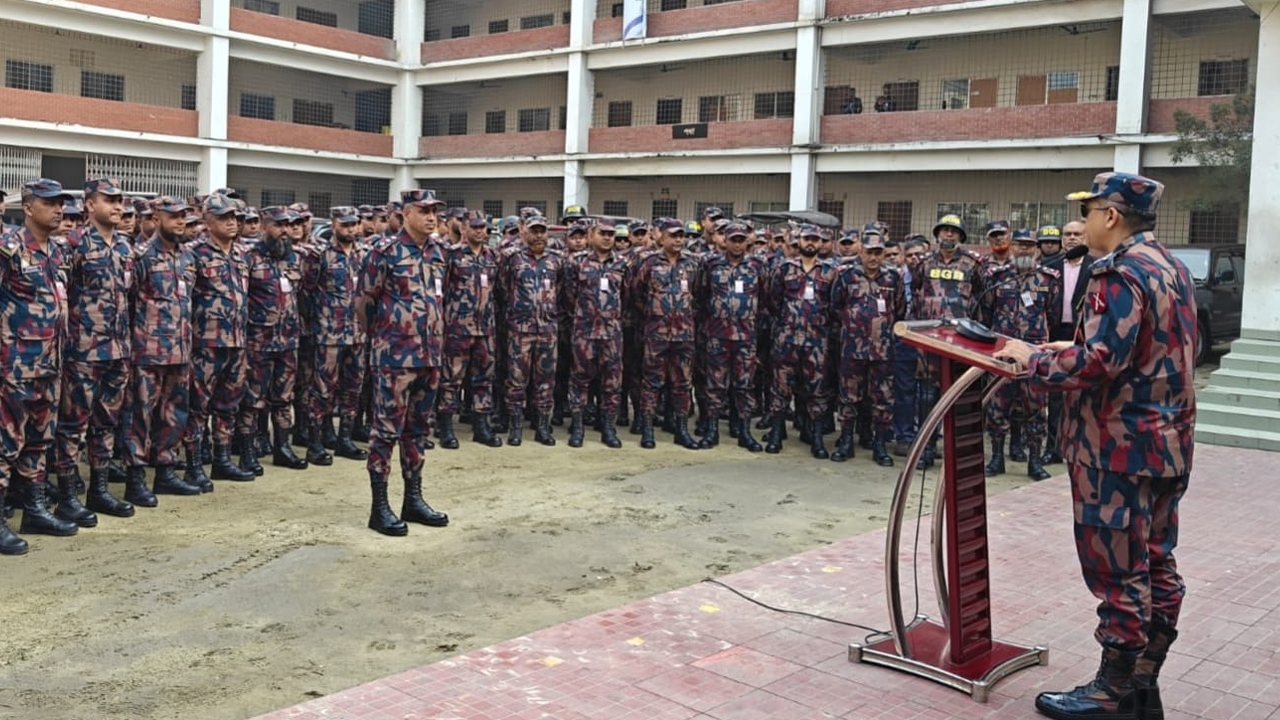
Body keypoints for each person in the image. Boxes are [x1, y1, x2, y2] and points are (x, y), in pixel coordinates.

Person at [995, 172, 1195, 720]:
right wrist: (1074, 344)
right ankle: (1143, 681)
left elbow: (1100, 363)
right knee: (1155, 561)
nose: (1081, 223)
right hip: (1165, 443)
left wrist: (1030, 357)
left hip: (1116, 450)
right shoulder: (1169, 267)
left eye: (1088, 212)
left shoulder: (1117, 273)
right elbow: (1149, 347)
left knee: (1119, 568)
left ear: (1112, 216)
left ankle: (1113, 692)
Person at [356, 188, 450, 536]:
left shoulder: (440, 253)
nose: (431, 217)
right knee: (385, 432)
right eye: (423, 210)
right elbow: (364, 301)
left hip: (430, 357)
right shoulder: (384, 251)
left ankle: (413, 498)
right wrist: (383, 338)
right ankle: (379, 507)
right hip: (394, 357)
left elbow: (443, 300)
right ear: (405, 213)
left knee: (418, 430)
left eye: (434, 211)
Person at [1, 180, 80, 555]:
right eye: (50, 203)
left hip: (51, 364)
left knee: (39, 440)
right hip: (14, 364)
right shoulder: (9, 247)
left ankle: (34, 509)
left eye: (61, 203)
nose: (59, 209)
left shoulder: (59, 251)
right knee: (5, 443)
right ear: (29, 207)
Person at [55, 178, 137, 524]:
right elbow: (62, 299)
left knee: (106, 423)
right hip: (83, 351)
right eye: (110, 200)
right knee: (73, 425)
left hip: (117, 350)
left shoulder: (124, 247)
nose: (118, 206)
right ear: (90, 204)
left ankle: (99, 490)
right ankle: (66, 496)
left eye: (120, 201)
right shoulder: (71, 245)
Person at [126, 196, 199, 502]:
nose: (181, 222)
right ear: (156, 220)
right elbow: (128, 303)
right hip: (148, 351)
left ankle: (165, 472)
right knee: (140, 415)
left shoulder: (187, 257)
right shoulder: (140, 256)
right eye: (174, 217)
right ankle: (135, 478)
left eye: (184, 216)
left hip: (180, 350)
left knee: (175, 413)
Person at [186, 193, 257, 484]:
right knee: (198, 406)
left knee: (229, 405)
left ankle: (222, 459)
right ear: (208, 221)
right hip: (206, 343)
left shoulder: (242, 254)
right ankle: (193, 464)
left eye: (235, 218)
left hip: (236, 342)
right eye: (225, 218)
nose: (232, 223)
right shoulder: (194, 252)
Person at [980, 229, 1059, 481]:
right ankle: (996, 458)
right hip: (1002, 352)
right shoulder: (997, 277)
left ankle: (1034, 461)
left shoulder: (1048, 279)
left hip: (1033, 354)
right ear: (1012, 247)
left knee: (1035, 407)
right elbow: (987, 310)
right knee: (997, 406)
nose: (1024, 249)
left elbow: (1054, 315)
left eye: (1029, 245)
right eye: (1019, 245)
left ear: (1036, 249)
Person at [829, 228, 906, 465]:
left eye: (878, 253)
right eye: (869, 252)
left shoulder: (893, 278)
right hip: (852, 348)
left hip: (882, 350)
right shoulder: (846, 275)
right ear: (860, 252)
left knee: (882, 397)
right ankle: (845, 441)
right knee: (849, 396)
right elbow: (835, 307)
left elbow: (900, 310)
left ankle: (879, 444)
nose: (873, 258)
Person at [304, 206, 370, 461]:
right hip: (329, 334)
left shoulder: (364, 254)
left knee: (352, 388)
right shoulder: (321, 254)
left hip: (357, 334)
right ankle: (316, 442)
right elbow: (307, 291)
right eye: (345, 225)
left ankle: (344, 439)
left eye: (354, 224)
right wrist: (317, 321)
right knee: (322, 390)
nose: (350, 229)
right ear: (333, 225)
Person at [765, 224, 836, 458]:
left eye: (815, 239)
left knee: (817, 390)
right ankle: (776, 435)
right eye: (807, 239)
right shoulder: (784, 269)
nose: (811, 243)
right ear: (799, 240)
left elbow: (834, 306)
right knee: (780, 388)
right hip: (786, 339)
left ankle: (816, 438)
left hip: (816, 342)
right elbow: (773, 300)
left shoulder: (829, 272)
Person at [630, 218, 702, 450]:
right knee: (651, 383)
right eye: (673, 235)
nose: (679, 240)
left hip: (684, 336)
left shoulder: (692, 264)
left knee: (682, 384)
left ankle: (681, 430)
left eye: (681, 235)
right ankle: (648, 429)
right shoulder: (649, 263)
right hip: (656, 335)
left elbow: (699, 295)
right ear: (662, 237)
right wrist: (654, 314)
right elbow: (636, 294)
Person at [696, 222, 765, 452]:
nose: (737, 244)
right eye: (732, 239)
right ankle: (712, 430)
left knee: (745, 385)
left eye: (741, 240)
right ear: (724, 240)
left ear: (747, 241)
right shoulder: (711, 264)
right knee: (715, 384)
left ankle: (745, 431)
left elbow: (766, 298)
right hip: (718, 334)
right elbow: (701, 295)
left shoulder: (757, 266)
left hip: (746, 336)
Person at [497, 211, 565, 446]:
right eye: (533, 231)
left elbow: (563, 291)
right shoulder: (511, 258)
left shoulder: (556, 259)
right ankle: (516, 427)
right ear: (524, 232)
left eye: (541, 231)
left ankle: (543, 428)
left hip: (547, 330)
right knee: (516, 380)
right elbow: (504, 289)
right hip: (520, 330)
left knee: (545, 380)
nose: (538, 236)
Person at [563, 220, 628, 448]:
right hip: (584, 332)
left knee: (611, 383)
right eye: (603, 233)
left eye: (611, 234)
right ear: (591, 235)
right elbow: (569, 295)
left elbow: (627, 296)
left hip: (611, 334)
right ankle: (578, 425)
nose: (608, 238)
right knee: (579, 380)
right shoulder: (576, 262)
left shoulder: (622, 263)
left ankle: (608, 428)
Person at [1040, 220, 1092, 465]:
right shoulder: (1050, 265)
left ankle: (1077, 446)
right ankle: (1053, 448)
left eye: (1077, 234)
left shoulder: (1095, 267)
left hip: (1080, 332)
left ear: (1086, 237)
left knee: (1079, 392)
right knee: (1055, 394)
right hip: (1054, 330)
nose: (1071, 238)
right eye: (1067, 234)